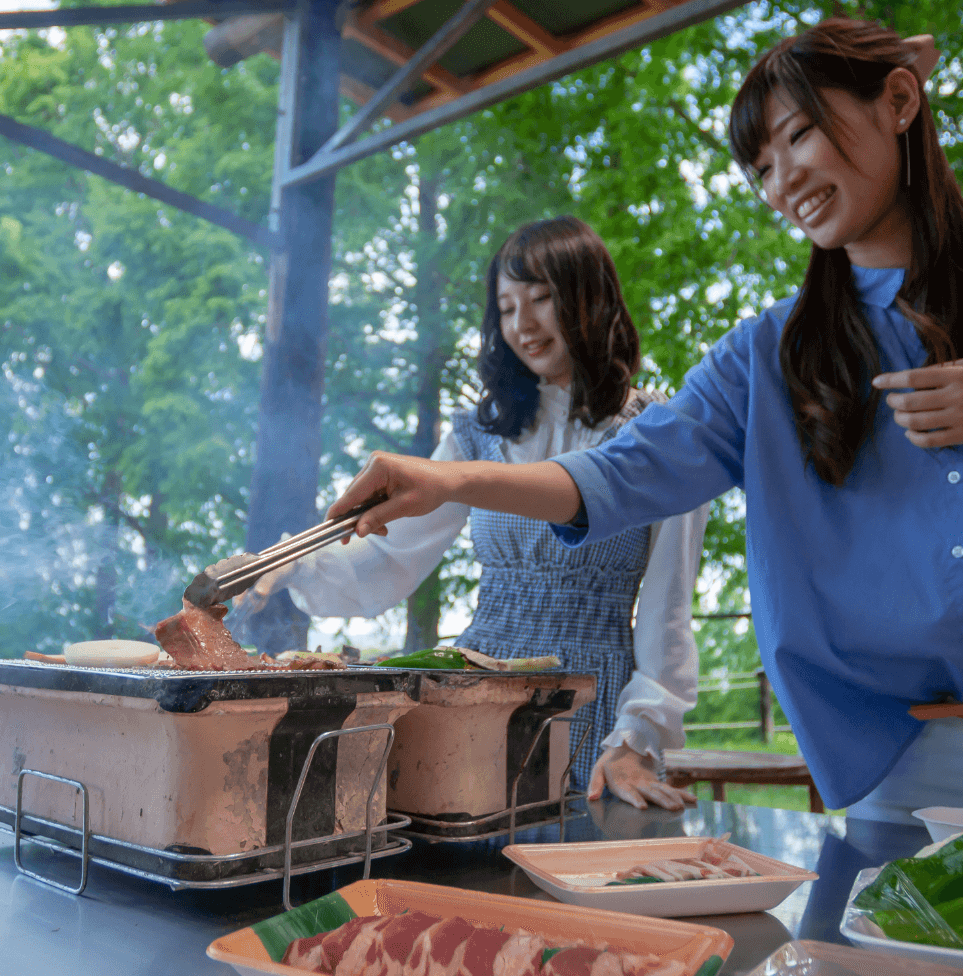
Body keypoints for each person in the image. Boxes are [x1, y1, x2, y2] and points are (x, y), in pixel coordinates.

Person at [320, 19, 963, 858]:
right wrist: (446, 480)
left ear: (899, 101)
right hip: (898, 776)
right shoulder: (764, 359)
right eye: (760, 166)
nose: (783, 179)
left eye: (798, 136)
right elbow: (615, 477)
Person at [244, 216, 707, 811]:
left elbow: (668, 611)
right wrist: (297, 564)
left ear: (591, 300)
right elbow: (390, 557)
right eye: (507, 308)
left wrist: (639, 737)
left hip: (595, 704)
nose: (524, 325)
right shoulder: (476, 435)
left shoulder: (658, 435)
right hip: (473, 690)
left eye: (542, 299)